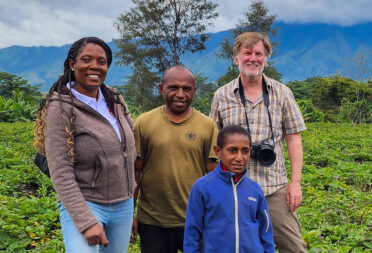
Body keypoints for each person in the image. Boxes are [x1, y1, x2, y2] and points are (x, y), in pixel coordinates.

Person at [33, 37, 136, 253]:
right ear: (72, 64)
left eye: (101, 61)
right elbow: (60, 171)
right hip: (86, 203)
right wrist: (86, 222)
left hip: (123, 204)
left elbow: (129, 153)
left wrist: (132, 204)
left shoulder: (115, 100)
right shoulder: (60, 107)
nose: (94, 66)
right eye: (86, 59)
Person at [210, 32, 307, 252]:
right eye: (247, 53)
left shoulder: (282, 93)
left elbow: (293, 137)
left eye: (258, 54)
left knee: (294, 247)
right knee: (238, 246)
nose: (253, 58)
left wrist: (295, 183)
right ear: (236, 58)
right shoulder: (222, 95)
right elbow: (213, 143)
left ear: (266, 58)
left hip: (275, 188)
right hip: (234, 188)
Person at [132, 65, 218, 253]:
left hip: (196, 220)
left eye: (186, 89)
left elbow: (214, 176)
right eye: (173, 88)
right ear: (161, 88)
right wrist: (130, 213)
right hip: (153, 222)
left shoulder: (207, 126)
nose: (180, 94)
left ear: (194, 91)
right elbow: (135, 171)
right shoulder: (144, 123)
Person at [184, 125, 275, 253]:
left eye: (245, 151)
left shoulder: (255, 189)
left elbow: (265, 231)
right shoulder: (202, 187)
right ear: (218, 151)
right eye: (232, 150)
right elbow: (192, 232)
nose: (239, 157)